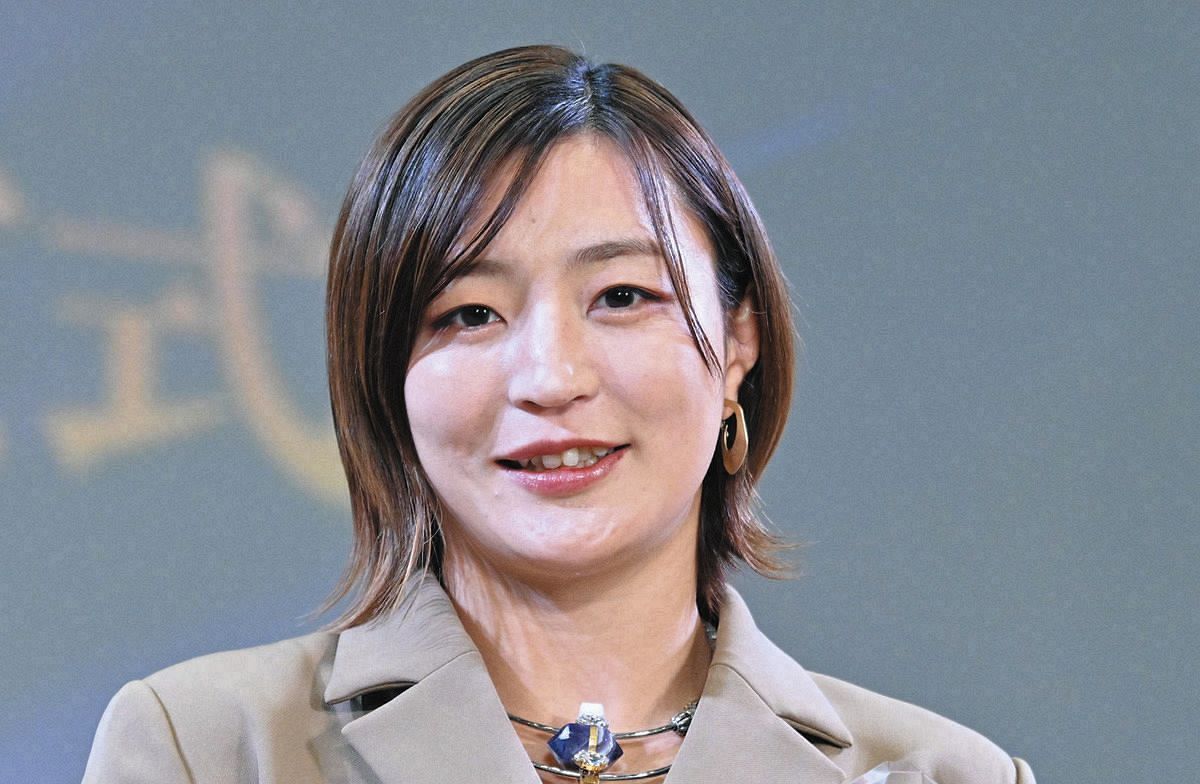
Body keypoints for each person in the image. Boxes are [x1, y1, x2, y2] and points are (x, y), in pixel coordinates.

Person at [83, 45, 1034, 784]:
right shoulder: (208, 746)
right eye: (469, 314)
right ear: (385, 378)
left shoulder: (946, 773)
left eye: (622, 296)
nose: (549, 376)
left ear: (738, 343)